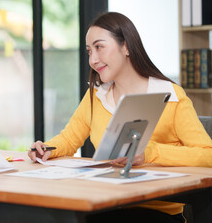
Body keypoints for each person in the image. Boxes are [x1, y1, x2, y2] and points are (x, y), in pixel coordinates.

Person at [28, 12, 212, 222]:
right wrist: (48, 150)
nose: (93, 60)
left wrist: (149, 153)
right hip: (107, 203)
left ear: (126, 47)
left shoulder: (171, 96)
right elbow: (69, 139)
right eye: (89, 51)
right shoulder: (97, 95)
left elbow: (208, 155)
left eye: (99, 47)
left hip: (156, 212)